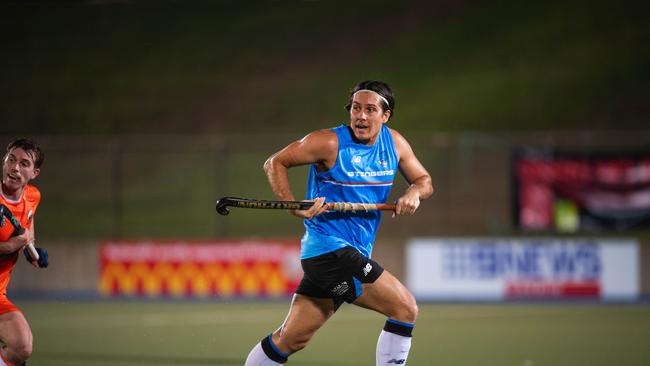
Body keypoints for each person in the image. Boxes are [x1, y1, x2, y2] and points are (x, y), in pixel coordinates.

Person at [245, 81, 433, 365]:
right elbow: (275, 163)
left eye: (371, 110)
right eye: (356, 108)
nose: (361, 116)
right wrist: (294, 206)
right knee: (405, 308)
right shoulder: (328, 142)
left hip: (346, 254)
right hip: (329, 250)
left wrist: (413, 193)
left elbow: (424, 180)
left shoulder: (394, 144)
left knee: (290, 339)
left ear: (386, 115)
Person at [0, 138, 49, 366]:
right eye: (11, 159)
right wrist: (10, 246)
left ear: (35, 172)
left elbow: (27, 223)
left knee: (22, 346)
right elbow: (13, 242)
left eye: (24, 163)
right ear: (4, 162)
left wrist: (31, 248)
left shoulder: (32, 196)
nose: (15, 167)